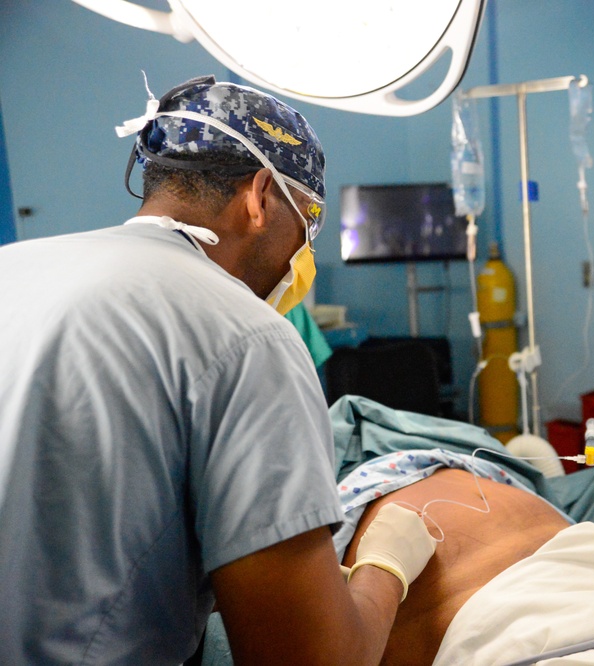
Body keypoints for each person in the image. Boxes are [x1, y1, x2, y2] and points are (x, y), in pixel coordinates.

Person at [0, 75, 435, 665]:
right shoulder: (245, 334)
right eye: (307, 227)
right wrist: (387, 568)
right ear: (259, 196)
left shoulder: (13, 267)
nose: (302, 257)